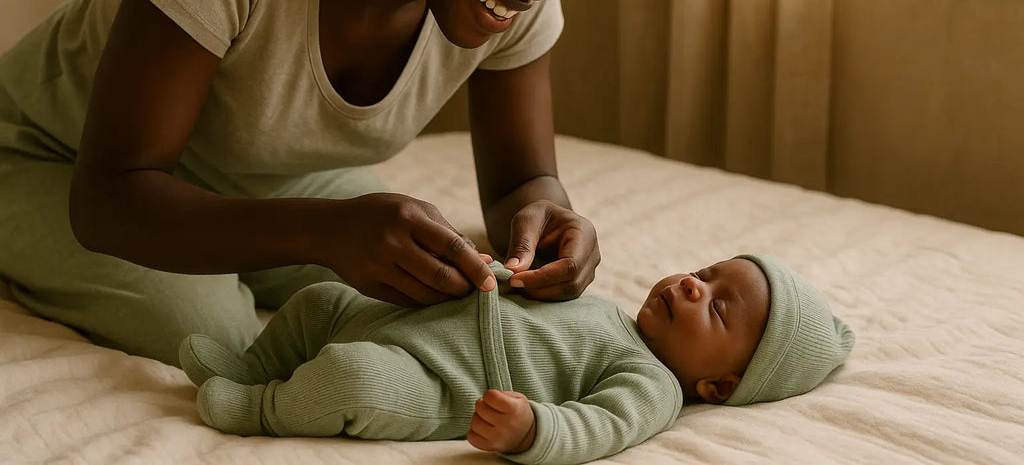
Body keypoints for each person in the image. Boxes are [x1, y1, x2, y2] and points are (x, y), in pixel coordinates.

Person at [0, 0, 619, 366]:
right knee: (212, 336)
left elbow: (522, 178)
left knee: (452, 297)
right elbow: (109, 198)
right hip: (55, 158)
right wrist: (324, 232)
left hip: (262, 178)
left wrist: (549, 226)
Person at [178, 253, 855, 464]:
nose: (690, 286)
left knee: (352, 376)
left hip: (435, 385)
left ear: (720, 383)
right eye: (705, 272)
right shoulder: (610, 310)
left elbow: (601, 427)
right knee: (317, 298)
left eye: (717, 307)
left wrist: (534, 430)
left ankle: (259, 406)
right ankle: (252, 364)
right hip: (403, 319)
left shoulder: (654, 386)